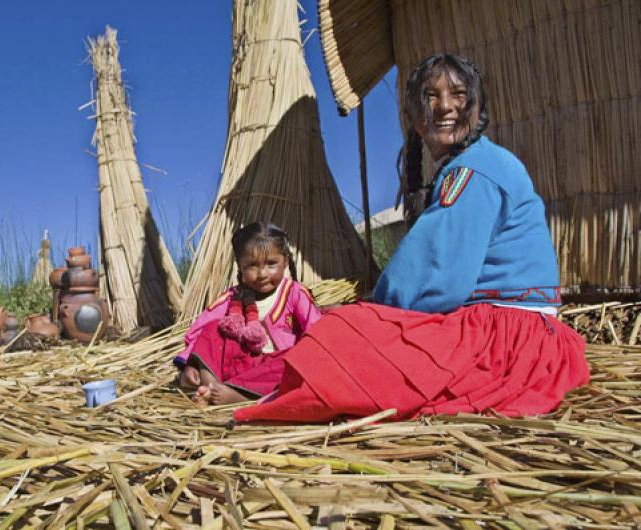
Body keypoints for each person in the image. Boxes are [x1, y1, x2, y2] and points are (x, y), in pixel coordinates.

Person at [234, 53, 590, 423]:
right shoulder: (474, 164)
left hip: (506, 342)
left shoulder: (475, 170)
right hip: (517, 335)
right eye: (430, 96)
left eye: (458, 94)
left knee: (342, 330)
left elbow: (435, 279)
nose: (445, 106)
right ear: (415, 118)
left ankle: (257, 387)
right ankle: (257, 381)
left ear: (477, 105)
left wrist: (373, 312)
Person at [175, 222, 322, 406]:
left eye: (271, 264)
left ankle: (237, 395)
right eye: (252, 266)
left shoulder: (294, 293)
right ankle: (209, 386)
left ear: (285, 261)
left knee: (293, 359)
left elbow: (317, 330)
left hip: (274, 368)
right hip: (237, 365)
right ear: (240, 267)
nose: (262, 274)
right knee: (214, 328)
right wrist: (191, 363)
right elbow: (200, 331)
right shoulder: (232, 297)